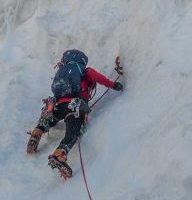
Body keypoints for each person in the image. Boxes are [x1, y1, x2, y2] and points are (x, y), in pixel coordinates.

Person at [26, 49, 123, 179]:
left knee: (50, 118)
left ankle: (37, 132)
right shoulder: (86, 71)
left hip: (56, 105)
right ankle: (60, 154)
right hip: (74, 106)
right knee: (72, 131)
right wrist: (114, 85)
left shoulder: (61, 71)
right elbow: (100, 79)